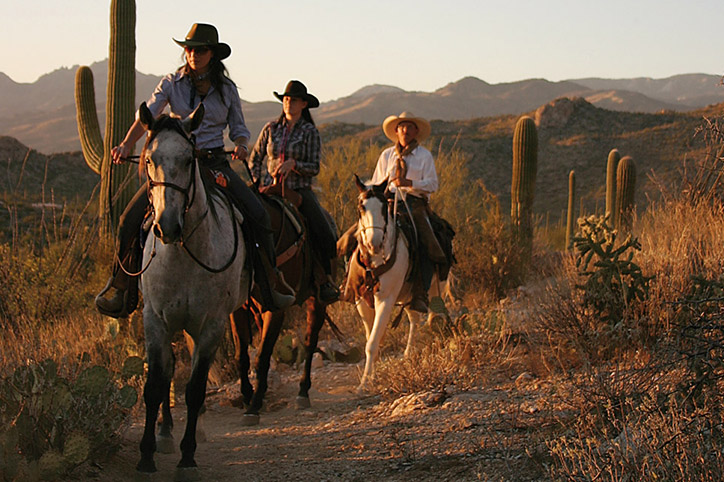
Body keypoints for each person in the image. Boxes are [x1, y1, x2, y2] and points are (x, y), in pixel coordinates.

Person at [95, 23, 294, 318]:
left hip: (214, 164)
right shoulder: (171, 83)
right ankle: (121, 286)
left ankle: (269, 283)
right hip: (176, 165)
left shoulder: (226, 90)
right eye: (189, 49)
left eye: (199, 50)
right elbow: (148, 115)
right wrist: (125, 144)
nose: (193, 54)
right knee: (128, 220)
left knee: (258, 213)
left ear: (212, 54)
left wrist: (240, 143)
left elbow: (240, 129)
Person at [342, 112, 447, 312]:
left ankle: (419, 292)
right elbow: (376, 180)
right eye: (402, 127)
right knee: (356, 234)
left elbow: (433, 184)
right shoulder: (387, 155)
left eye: (409, 127)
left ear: (416, 131)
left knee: (423, 239)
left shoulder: (424, 156)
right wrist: (367, 191)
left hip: (414, 203)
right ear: (396, 131)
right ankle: (349, 284)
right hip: (388, 201)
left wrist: (410, 183)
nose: (405, 131)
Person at [248, 80, 340, 303]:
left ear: (304, 104)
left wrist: (294, 165)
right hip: (269, 189)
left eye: (294, 100)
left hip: (298, 191)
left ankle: (323, 279)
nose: (289, 103)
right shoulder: (270, 129)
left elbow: (315, 167)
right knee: (243, 219)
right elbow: (255, 159)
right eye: (286, 99)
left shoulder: (309, 132)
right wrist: (256, 182)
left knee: (322, 228)